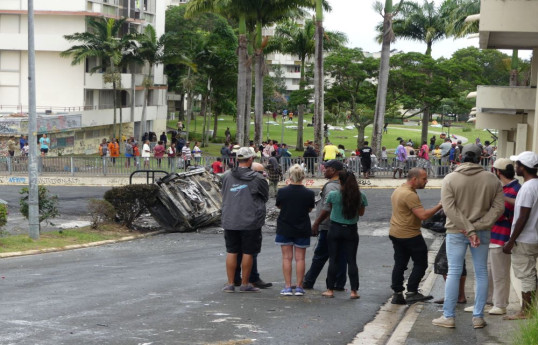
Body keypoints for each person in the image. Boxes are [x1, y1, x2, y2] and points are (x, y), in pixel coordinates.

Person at [432, 144, 504, 329]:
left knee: (454, 271)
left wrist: (468, 229)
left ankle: (448, 316)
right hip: (482, 231)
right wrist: (476, 228)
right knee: (480, 272)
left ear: (461, 157)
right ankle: (478, 317)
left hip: (457, 231)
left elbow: (449, 209)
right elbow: (498, 208)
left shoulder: (450, 179)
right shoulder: (492, 179)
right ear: (482, 158)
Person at [463, 158, 520, 315]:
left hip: (502, 237)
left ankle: (500, 304)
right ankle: (486, 301)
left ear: (497, 172)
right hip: (491, 236)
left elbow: (505, 212)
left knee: (500, 273)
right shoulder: (502, 188)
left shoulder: (514, 190)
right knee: (486, 272)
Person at [312, 170, 367, 299]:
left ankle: (330, 289)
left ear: (340, 181)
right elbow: (361, 213)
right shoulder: (360, 195)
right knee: (351, 260)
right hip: (351, 229)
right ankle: (354, 291)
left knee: (334, 259)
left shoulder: (333, 194)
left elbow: (327, 210)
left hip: (335, 229)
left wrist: (316, 223)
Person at [221, 147, 269, 293]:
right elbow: (265, 197)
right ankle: (245, 283)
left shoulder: (227, 176)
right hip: (250, 219)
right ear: (250, 160)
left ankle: (230, 283)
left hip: (230, 219)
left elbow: (224, 192)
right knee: (248, 252)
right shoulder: (258, 178)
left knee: (232, 251)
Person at [390, 168, 441, 305]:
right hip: (410, 234)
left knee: (400, 263)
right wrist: (440, 205)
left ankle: (397, 293)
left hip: (396, 232)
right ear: (414, 179)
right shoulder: (409, 195)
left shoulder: (399, 189)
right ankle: (412, 291)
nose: (426, 181)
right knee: (421, 263)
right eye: (424, 179)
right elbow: (423, 215)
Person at [502, 151, 538, 320]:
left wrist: (511, 240)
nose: (515, 167)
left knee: (526, 275)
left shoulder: (527, 188)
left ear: (523, 167)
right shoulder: (536, 185)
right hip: (534, 237)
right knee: (531, 274)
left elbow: (523, 216)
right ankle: (530, 308)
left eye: (517, 165)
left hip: (525, 239)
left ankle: (526, 311)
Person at [303, 160, 347, 290]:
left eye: (325, 168)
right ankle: (339, 283)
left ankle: (308, 281)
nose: (323, 170)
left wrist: (316, 223)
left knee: (320, 255)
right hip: (342, 225)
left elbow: (328, 207)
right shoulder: (342, 184)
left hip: (329, 226)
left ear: (333, 170)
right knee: (340, 256)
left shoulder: (331, 186)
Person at [275, 164, 316, 296]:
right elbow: (310, 209)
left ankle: (287, 286)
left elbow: (279, 206)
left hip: (285, 226)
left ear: (290, 176)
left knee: (286, 258)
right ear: (303, 176)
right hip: (302, 226)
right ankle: (299, 286)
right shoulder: (309, 193)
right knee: (300, 258)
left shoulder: (282, 191)